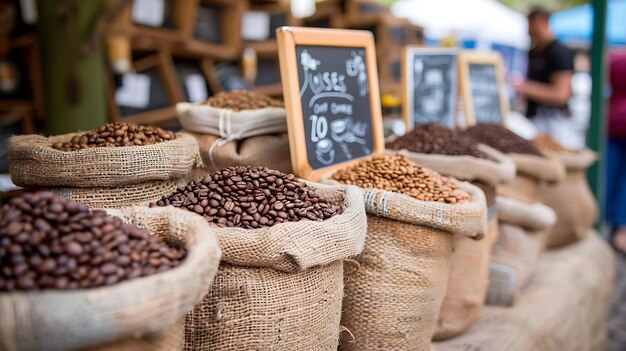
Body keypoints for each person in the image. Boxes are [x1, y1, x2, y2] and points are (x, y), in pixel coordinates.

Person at [513, 7, 577, 149]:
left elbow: (561, 94)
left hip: (554, 124)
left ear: (539, 22)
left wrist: (525, 87)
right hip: (534, 119)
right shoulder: (533, 53)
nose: (527, 30)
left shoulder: (559, 52)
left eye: (529, 24)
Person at [606, 51, 626, 253]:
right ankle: (621, 228)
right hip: (615, 124)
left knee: (610, 175)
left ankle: (607, 219)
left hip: (612, 122)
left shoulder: (614, 59)